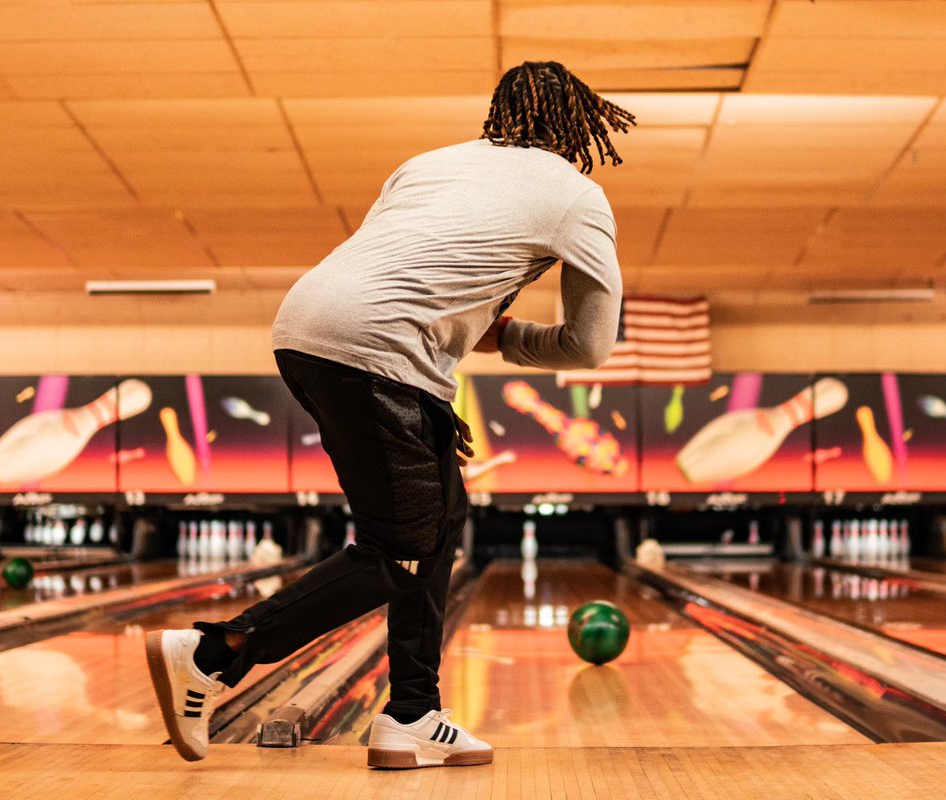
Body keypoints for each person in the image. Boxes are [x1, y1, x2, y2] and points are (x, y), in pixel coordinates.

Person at [145, 61, 634, 769]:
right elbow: (589, 346)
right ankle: (219, 651)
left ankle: (412, 713)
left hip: (308, 331)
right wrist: (511, 339)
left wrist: (441, 367)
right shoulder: (578, 196)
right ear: (581, 130)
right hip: (380, 356)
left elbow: (400, 268)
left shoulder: (425, 165)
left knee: (439, 526)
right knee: (399, 552)